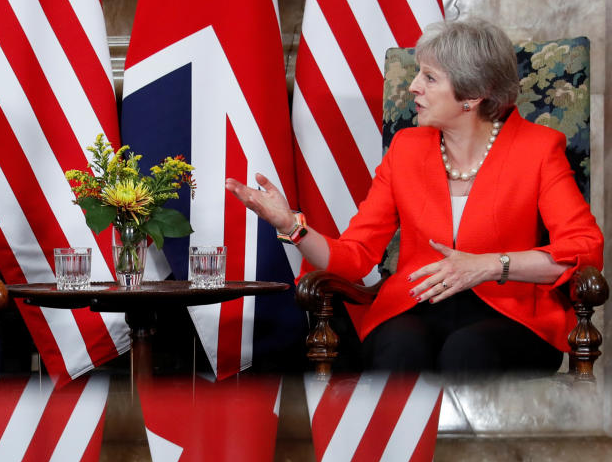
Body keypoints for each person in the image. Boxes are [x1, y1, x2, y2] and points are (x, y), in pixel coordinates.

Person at [227, 19, 603, 376]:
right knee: (399, 350)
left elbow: (584, 248)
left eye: (429, 77)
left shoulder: (538, 149)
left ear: (471, 95)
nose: (412, 88)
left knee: (467, 352)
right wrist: (291, 225)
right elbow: (355, 257)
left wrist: (489, 265)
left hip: (512, 313)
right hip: (416, 305)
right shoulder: (406, 149)